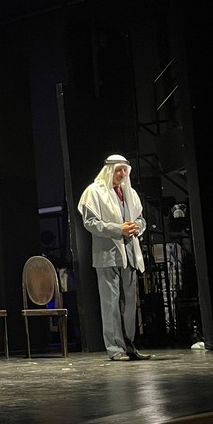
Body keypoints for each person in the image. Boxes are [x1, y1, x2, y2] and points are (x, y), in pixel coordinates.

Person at [77, 154, 151, 361]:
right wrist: (119, 229)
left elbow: (140, 219)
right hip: (107, 255)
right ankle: (115, 349)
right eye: (118, 170)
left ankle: (129, 346)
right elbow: (91, 223)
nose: (122, 174)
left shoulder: (130, 193)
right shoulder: (94, 192)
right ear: (109, 170)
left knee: (129, 305)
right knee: (110, 304)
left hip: (129, 254)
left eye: (125, 170)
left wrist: (137, 227)